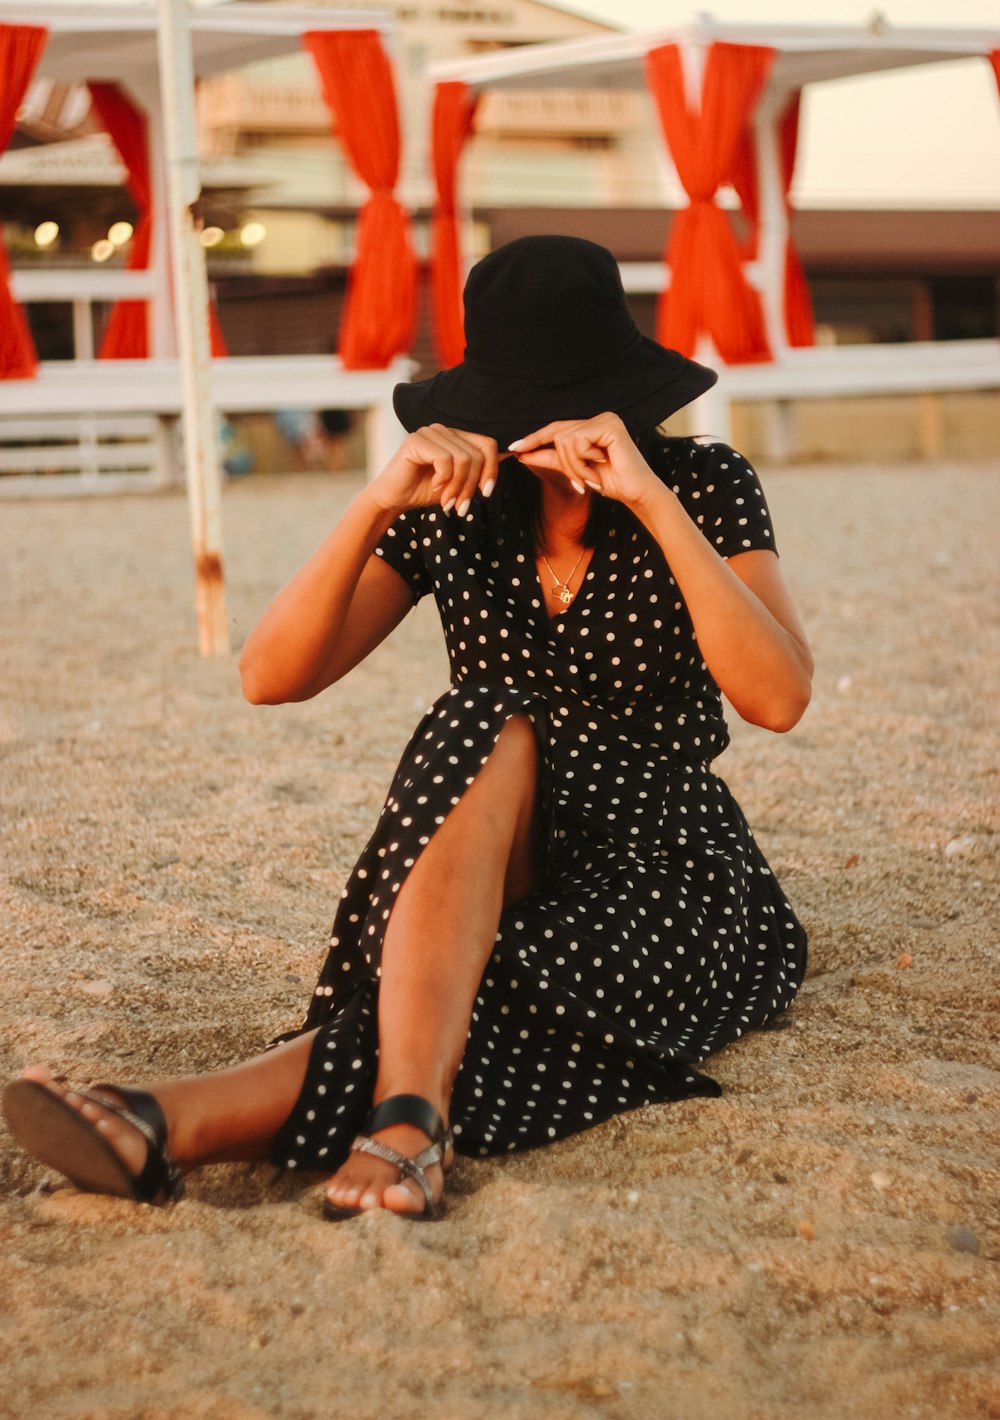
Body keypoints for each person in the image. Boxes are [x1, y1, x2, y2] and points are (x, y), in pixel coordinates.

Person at [2, 236, 812, 1222]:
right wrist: (374, 499)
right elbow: (270, 676)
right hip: (501, 853)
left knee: (464, 996)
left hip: (665, 857)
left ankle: (176, 1119)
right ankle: (397, 1121)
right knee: (485, 714)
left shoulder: (704, 481)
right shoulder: (455, 507)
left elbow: (777, 696)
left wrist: (647, 495)